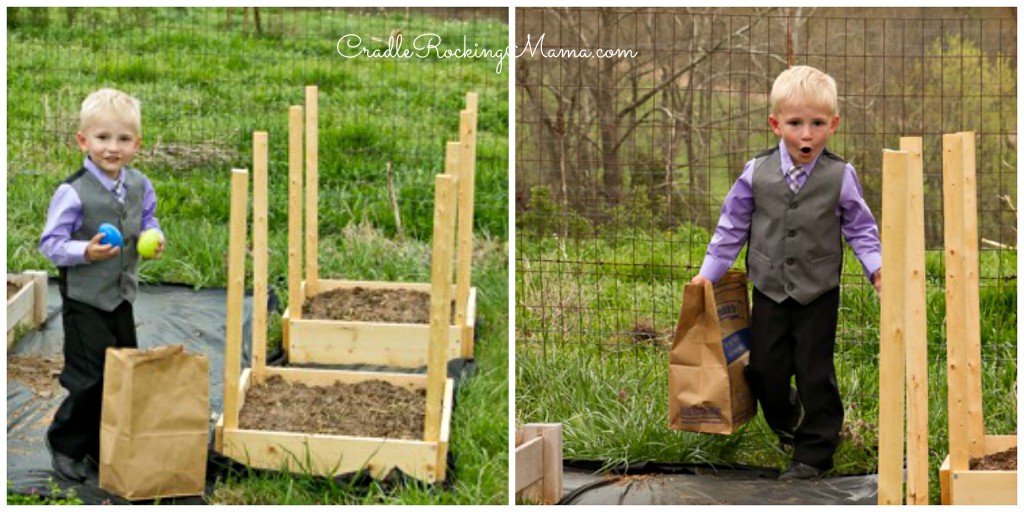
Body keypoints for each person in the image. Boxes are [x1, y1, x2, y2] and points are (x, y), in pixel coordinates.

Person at [690, 65, 881, 480]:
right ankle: (787, 419)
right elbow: (731, 226)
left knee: (815, 372)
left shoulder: (840, 176)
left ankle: (814, 453)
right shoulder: (756, 173)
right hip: (770, 291)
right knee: (764, 370)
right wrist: (708, 274)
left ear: (833, 124)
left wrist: (877, 270)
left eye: (817, 124)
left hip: (818, 293)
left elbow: (862, 229)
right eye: (795, 124)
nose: (807, 135)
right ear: (776, 124)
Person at [39, 88, 165, 481]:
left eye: (123, 139)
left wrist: (155, 237)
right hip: (85, 299)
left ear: (137, 144)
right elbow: (51, 245)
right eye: (103, 138)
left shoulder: (140, 184)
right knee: (88, 376)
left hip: (121, 296)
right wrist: (85, 252)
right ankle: (66, 444)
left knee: (122, 368)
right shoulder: (73, 192)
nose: (113, 148)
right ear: (83, 140)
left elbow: (148, 220)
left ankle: (102, 441)